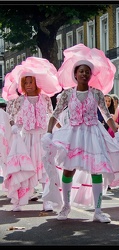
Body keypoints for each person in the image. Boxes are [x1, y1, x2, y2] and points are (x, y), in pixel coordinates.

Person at [41, 44, 119, 222]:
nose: (84, 74)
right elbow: (55, 114)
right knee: (68, 170)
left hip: (93, 134)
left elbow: (107, 116)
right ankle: (66, 206)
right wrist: (48, 132)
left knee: (97, 170)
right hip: (73, 134)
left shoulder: (97, 93)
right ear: (75, 74)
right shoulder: (67, 94)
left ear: (90, 75)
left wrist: (116, 135)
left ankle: (98, 210)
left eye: (87, 72)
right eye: (81, 71)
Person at [3, 57, 61, 212]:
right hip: (26, 139)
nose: (28, 86)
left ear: (36, 82)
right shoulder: (20, 100)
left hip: (42, 138)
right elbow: (12, 118)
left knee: (45, 169)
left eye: (30, 82)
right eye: (25, 83)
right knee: (24, 170)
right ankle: (19, 201)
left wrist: (58, 130)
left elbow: (51, 116)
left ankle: (46, 200)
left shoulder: (46, 99)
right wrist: (15, 126)